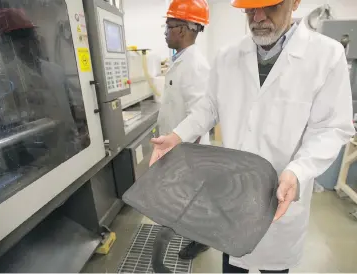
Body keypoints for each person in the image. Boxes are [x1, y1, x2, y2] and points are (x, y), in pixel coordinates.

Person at [150, 0, 355, 273]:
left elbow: (331, 128)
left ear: (295, 3)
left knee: (274, 266)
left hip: (281, 197)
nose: (257, 17)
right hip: (234, 197)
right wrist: (177, 135)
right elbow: (209, 107)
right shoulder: (227, 56)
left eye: (269, 5)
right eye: (250, 8)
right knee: (233, 263)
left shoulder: (325, 56)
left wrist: (298, 171)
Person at [155, 0, 212, 261]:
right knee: (186, 197)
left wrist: (185, 155)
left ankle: (201, 240)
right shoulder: (181, 60)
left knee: (194, 198)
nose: (165, 32)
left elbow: (200, 116)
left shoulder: (195, 66)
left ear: (182, 29)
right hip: (177, 147)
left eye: (168, 26)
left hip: (188, 152)